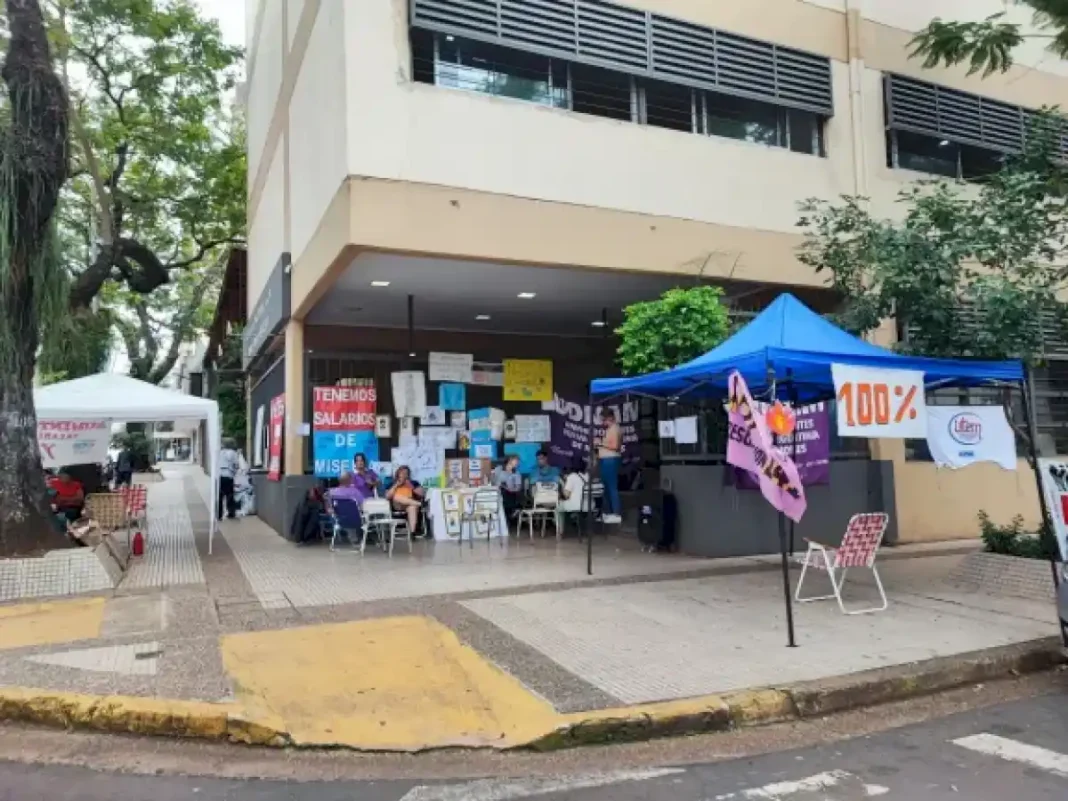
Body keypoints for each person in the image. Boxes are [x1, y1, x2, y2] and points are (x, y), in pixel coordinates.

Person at [597, 408, 623, 524]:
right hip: (606, 460)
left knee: (611, 487)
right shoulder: (610, 429)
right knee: (606, 487)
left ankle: (616, 513)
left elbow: (615, 446)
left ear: (610, 418)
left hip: (610, 460)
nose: (603, 422)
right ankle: (607, 513)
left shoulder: (614, 429)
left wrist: (600, 443)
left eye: (604, 420)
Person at [386, 465, 425, 533]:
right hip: (398, 505)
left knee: (412, 507)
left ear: (408, 475)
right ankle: (420, 504)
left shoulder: (413, 482)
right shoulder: (392, 483)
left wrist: (411, 486)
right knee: (396, 496)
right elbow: (387, 496)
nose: (404, 475)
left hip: (409, 504)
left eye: (405, 473)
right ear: (398, 474)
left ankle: (412, 533)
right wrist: (396, 485)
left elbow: (422, 494)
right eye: (402, 473)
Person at [217, 437, 241, 521]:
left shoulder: (220, 453)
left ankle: (219, 514)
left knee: (219, 496)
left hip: (219, 475)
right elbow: (236, 464)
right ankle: (231, 512)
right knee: (229, 495)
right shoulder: (233, 453)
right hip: (229, 475)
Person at [493, 455, 523, 521]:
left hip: (510, 493)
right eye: (516, 461)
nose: (517, 463)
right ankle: (512, 513)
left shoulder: (516, 473)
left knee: (508, 494)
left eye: (518, 461)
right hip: (497, 492)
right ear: (509, 461)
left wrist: (508, 488)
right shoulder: (499, 469)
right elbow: (493, 481)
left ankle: (512, 512)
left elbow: (518, 488)